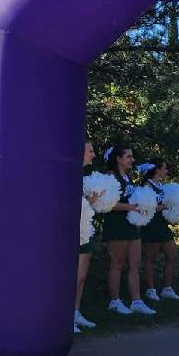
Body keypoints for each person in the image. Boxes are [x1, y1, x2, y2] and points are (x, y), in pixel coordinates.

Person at [101, 143, 156, 316]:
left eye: (132, 156)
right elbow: (107, 204)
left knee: (135, 264)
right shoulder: (110, 176)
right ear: (118, 158)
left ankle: (136, 301)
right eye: (128, 157)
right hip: (117, 225)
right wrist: (132, 207)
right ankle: (115, 301)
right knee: (117, 263)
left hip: (131, 225)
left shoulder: (127, 177)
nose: (132, 159)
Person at [137, 158, 179, 303]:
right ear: (157, 169)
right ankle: (150, 290)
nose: (166, 171)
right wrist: (164, 206)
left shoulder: (162, 185)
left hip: (162, 226)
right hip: (151, 226)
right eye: (164, 168)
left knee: (172, 255)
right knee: (150, 259)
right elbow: (144, 207)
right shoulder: (147, 186)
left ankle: (167, 288)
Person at [75, 137, 99, 333]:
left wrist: (92, 201)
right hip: (71, 234)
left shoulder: (84, 177)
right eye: (90, 150)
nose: (93, 154)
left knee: (81, 277)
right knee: (71, 277)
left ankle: (75, 312)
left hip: (85, 232)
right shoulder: (67, 174)